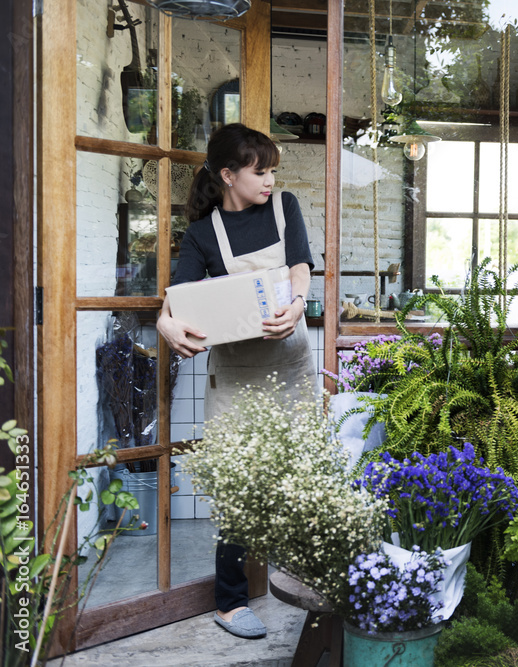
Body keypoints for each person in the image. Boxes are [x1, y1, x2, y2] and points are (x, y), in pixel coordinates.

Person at [157, 123, 318, 639]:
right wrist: (165, 323)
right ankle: (230, 601)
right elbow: (179, 298)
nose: (270, 179)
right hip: (236, 376)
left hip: (291, 368)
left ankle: (311, 582)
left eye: (273, 170)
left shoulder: (284, 206)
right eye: (260, 171)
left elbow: (299, 269)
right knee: (237, 489)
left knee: (303, 474)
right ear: (228, 175)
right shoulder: (205, 233)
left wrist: (295, 307)